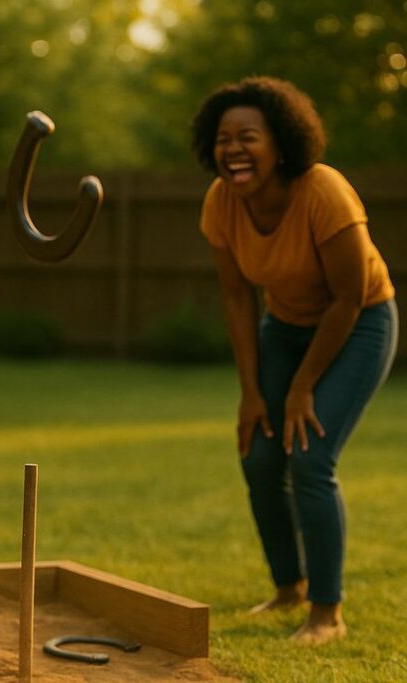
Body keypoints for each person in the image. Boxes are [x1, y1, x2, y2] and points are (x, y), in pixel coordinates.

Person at [192, 76, 398, 645]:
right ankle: (290, 588)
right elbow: (237, 297)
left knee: (310, 458)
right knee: (259, 454)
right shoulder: (220, 203)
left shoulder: (323, 192)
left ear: (281, 143)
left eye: (248, 137)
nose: (233, 148)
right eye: (223, 138)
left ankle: (327, 613)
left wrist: (304, 385)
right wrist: (252, 391)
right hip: (283, 326)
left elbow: (348, 298)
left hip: (359, 323)